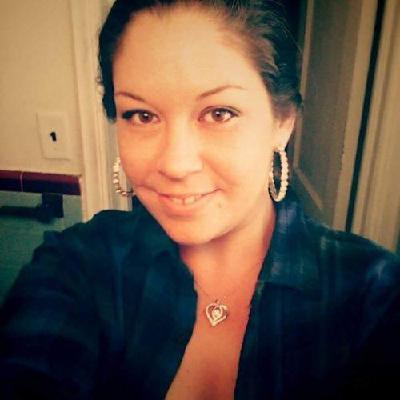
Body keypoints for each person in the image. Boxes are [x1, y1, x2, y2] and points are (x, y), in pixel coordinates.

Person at [1, 0, 399, 399]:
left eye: (220, 113)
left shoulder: (374, 296)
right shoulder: (77, 265)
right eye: (141, 115)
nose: (175, 164)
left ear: (282, 121)